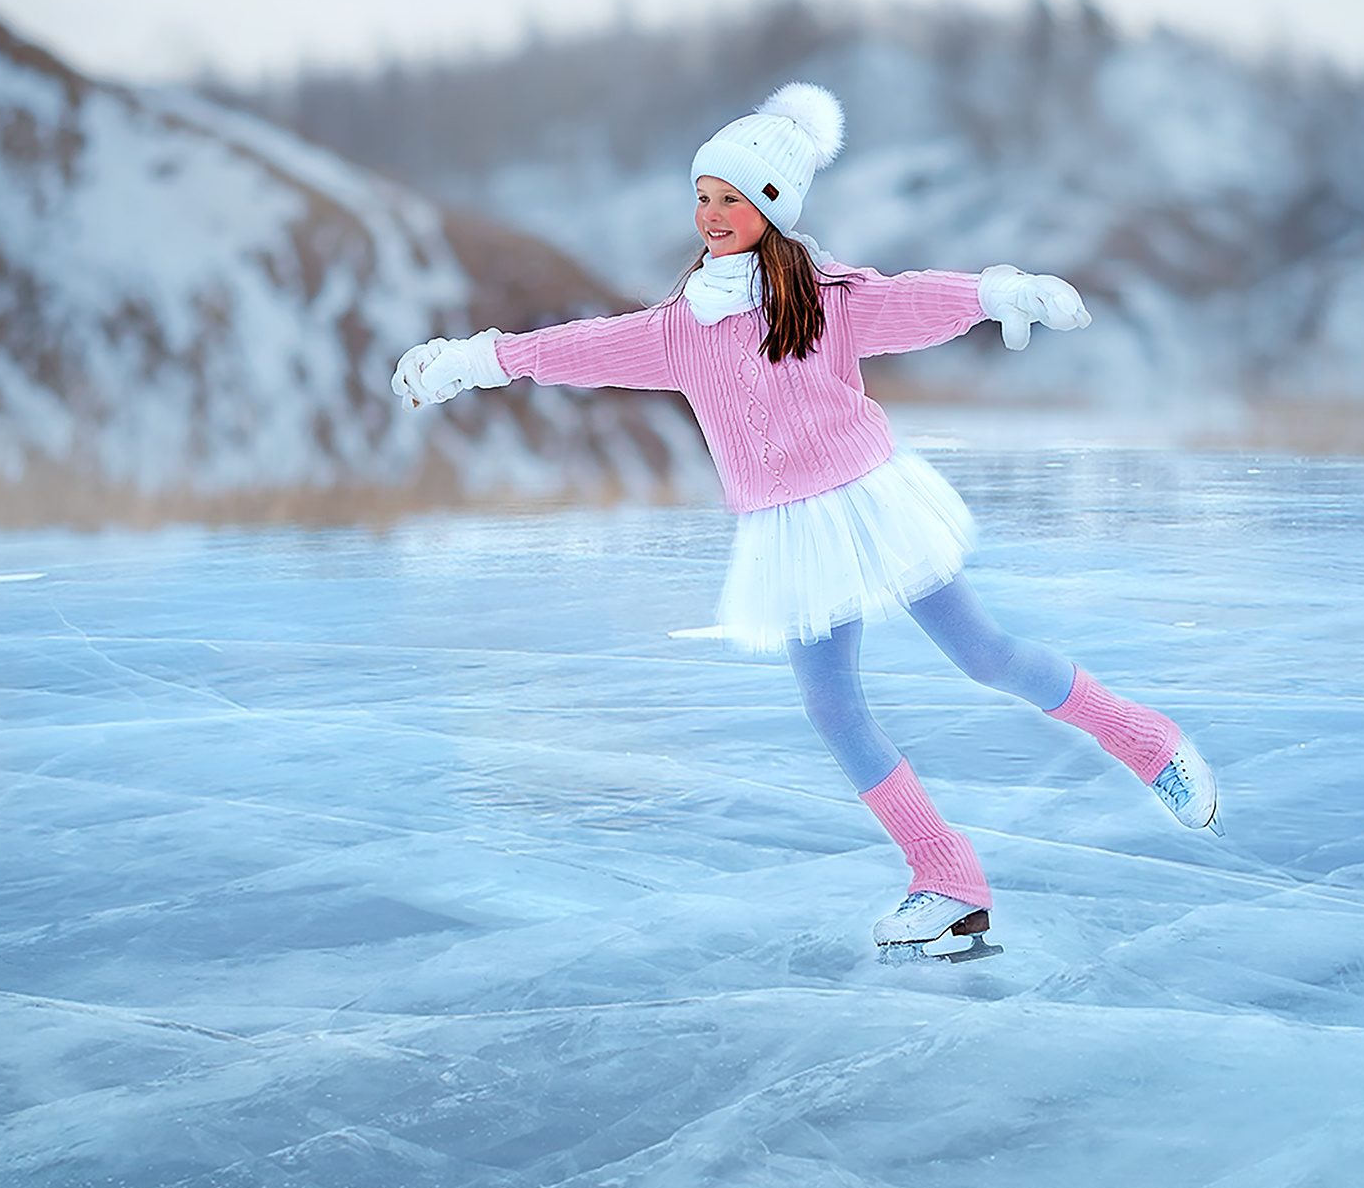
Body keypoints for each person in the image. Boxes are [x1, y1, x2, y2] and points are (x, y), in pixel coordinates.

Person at [394, 84, 1217, 958]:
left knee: (986, 655)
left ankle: (1150, 743)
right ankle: (947, 880)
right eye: (705, 195)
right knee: (833, 708)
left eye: (733, 199)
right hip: (789, 532)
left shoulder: (823, 297)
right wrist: (479, 359)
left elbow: (910, 301)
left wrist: (997, 292)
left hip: (870, 502)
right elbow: (579, 346)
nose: (712, 214)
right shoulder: (681, 328)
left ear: (772, 207)